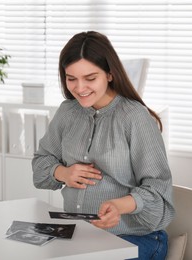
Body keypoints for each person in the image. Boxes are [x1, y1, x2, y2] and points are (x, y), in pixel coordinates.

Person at [32, 31, 174, 259]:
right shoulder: (67, 112)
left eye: (90, 78)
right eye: (71, 79)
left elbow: (159, 192)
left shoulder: (135, 117)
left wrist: (121, 206)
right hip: (80, 234)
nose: (79, 88)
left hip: (136, 238)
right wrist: (62, 173)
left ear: (109, 74)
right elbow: (40, 166)